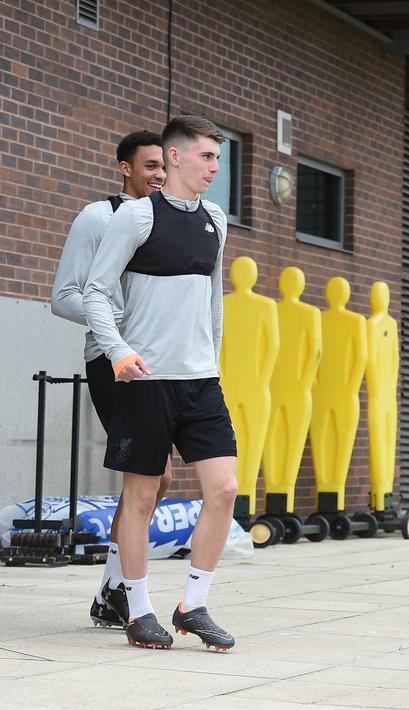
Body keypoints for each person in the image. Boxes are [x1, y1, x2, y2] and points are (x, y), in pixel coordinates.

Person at [83, 115, 238, 651]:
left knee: (225, 489)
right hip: (146, 380)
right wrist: (119, 351)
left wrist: (212, 361)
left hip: (200, 380)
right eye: (206, 157)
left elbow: (214, 300)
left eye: (218, 159)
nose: (215, 168)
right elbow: (95, 292)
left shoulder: (215, 219)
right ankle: (138, 608)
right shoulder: (136, 218)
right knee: (142, 496)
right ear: (174, 158)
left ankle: (193, 604)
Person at [51, 130, 174, 630]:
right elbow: (64, 297)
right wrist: (118, 322)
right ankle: (118, 590)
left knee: (158, 476)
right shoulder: (98, 217)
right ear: (125, 168)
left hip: (161, 361)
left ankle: (113, 588)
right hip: (111, 359)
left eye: (163, 166)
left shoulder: (168, 222)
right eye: (149, 167)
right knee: (154, 474)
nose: (159, 175)